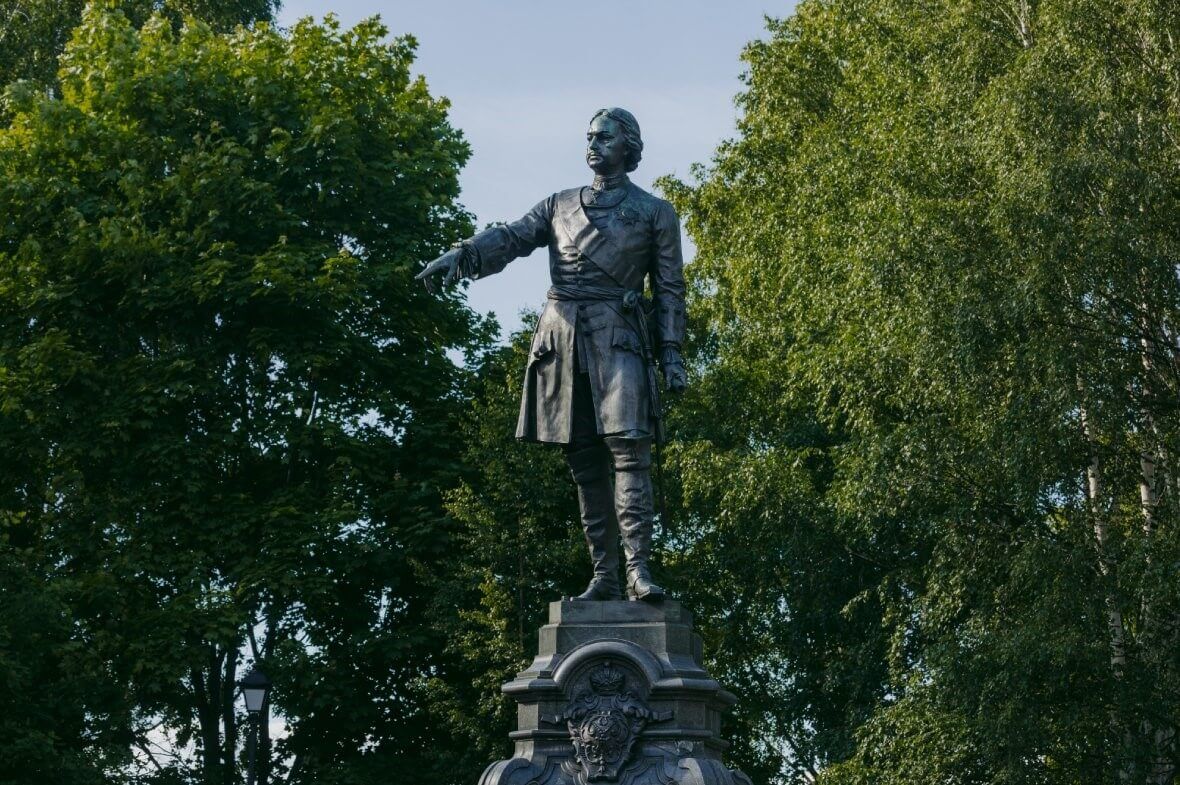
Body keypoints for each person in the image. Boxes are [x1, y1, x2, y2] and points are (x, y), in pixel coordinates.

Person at [416, 107, 687, 602]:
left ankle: (638, 572)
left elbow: (670, 288)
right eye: (589, 137)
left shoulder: (655, 212)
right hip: (562, 341)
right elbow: (512, 237)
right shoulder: (558, 205)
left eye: (604, 137)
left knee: (630, 450)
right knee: (583, 459)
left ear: (628, 145)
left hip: (619, 337)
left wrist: (671, 353)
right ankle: (604, 576)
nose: (593, 145)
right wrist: (465, 253)